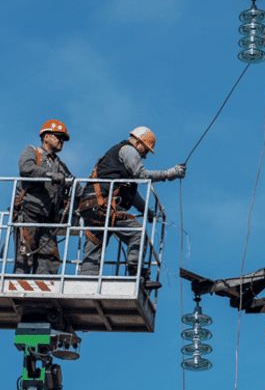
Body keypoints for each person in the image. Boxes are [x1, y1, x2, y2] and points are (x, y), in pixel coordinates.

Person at [76, 126, 185, 286]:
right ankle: (137, 276)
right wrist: (168, 174)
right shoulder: (128, 150)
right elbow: (142, 174)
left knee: (94, 245)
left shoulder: (117, 164)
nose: (145, 155)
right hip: (103, 205)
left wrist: (146, 211)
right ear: (139, 143)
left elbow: (131, 195)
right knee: (137, 234)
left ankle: (86, 282)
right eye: (146, 150)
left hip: (89, 206)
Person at [13, 120, 75, 275]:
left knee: (50, 262)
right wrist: (49, 175)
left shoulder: (60, 166)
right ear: (46, 137)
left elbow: (75, 185)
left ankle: (42, 296)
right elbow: (26, 168)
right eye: (58, 136)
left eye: (63, 138)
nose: (61, 141)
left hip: (47, 220)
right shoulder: (32, 151)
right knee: (25, 259)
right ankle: (20, 294)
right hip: (28, 214)